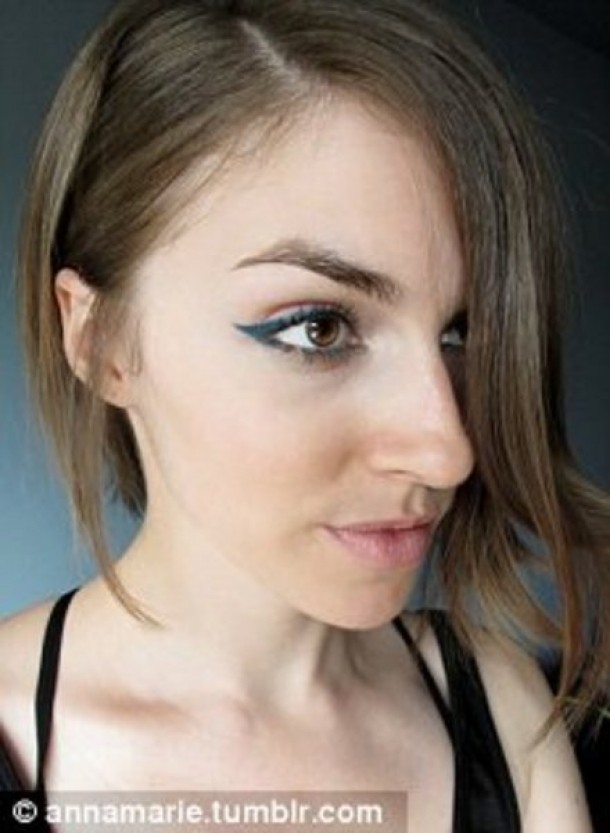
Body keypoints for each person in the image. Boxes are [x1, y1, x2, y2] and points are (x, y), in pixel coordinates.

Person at [1, 0, 608, 830]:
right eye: (318, 328)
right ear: (101, 340)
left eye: (461, 334)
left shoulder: (495, 700)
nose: (449, 452)